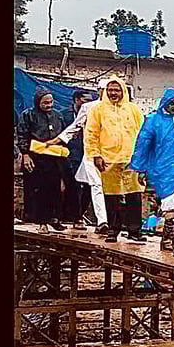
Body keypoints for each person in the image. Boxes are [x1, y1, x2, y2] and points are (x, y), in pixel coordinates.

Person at [129, 88, 174, 255]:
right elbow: (143, 145)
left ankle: (167, 240)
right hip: (160, 171)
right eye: (172, 103)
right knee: (168, 206)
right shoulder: (153, 121)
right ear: (165, 103)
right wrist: (140, 168)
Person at [85, 75, 146, 243]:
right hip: (107, 159)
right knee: (111, 196)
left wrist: (142, 157)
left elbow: (143, 134)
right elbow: (91, 134)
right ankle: (113, 230)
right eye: (110, 90)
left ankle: (135, 231)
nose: (113, 93)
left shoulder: (133, 110)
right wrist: (95, 155)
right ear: (105, 92)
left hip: (131, 160)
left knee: (134, 194)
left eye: (117, 90)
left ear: (123, 91)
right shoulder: (97, 110)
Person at [57, 80, 110, 233]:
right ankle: (77, 217)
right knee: (79, 186)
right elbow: (73, 128)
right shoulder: (88, 108)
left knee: (95, 188)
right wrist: (58, 141)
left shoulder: (121, 110)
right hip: (83, 154)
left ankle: (99, 220)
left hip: (109, 155)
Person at [16, 88, 68, 232]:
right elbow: (22, 135)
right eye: (45, 102)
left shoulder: (58, 116)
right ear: (38, 102)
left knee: (56, 189)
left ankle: (55, 219)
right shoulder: (28, 115)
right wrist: (25, 155)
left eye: (51, 102)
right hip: (36, 158)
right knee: (38, 190)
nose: (49, 105)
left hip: (55, 157)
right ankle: (41, 222)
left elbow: (64, 135)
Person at [58, 90, 94, 228]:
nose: (89, 104)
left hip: (88, 155)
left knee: (89, 188)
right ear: (77, 100)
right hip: (69, 156)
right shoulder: (65, 116)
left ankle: (79, 215)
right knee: (70, 187)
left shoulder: (94, 114)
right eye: (86, 100)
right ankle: (67, 216)